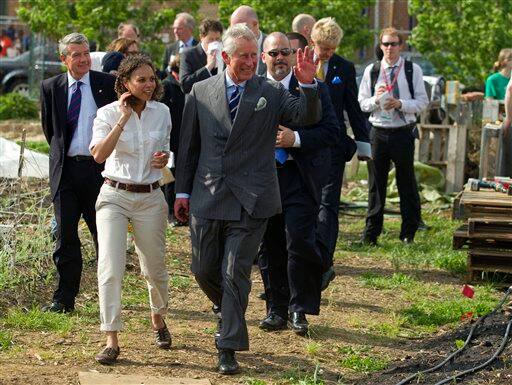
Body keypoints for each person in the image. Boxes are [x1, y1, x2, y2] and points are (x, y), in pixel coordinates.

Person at [174, 24, 321, 375]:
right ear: (225, 57)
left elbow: (305, 115)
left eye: (254, 56)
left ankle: (227, 347)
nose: (250, 62)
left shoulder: (269, 91)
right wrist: (181, 191)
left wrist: (310, 86)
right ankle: (229, 312)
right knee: (203, 269)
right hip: (208, 195)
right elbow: (188, 146)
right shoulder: (199, 90)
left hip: (252, 199)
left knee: (234, 271)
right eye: (243, 56)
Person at [89, 54, 172, 365]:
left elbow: (164, 149)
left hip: (150, 197)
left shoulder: (162, 112)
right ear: (124, 83)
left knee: (155, 268)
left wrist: (165, 160)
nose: (149, 85)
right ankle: (111, 338)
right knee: (110, 267)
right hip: (114, 195)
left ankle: (158, 318)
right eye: (141, 80)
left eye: (152, 79)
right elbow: (98, 155)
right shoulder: (107, 113)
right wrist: (123, 117)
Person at [258, 32, 339, 336]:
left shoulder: (312, 86)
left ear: (294, 56)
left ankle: (298, 309)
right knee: (270, 244)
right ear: (263, 57)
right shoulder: (253, 88)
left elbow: (331, 132)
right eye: (273, 53)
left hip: (299, 177)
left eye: (285, 52)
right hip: (264, 178)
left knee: (299, 242)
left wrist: (297, 139)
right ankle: (275, 308)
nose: (280, 58)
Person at [40, 33, 117, 313]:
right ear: (64, 59)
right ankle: (64, 298)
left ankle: (108, 296)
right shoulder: (51, 87)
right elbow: (51, 132)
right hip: (66, 172)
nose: (83, 59)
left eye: (86, 53)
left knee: (104, 234)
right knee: (65, 236)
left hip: (100, 171)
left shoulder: (106, 84)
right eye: (76, 55)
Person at [310, 17, 370, 290]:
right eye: (324, 47)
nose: (328, 53)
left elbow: (353, 108)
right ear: (314, 41)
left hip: (333, 148)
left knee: (328, 205)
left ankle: (324, 263)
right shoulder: (301, 63)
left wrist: (364, 144)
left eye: (333, 49)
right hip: (303, 147)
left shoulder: (344, 68)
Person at [358, 27, 428, 245]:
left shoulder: (411, 69)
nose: (390, 48)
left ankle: (408, 233)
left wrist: (400, 104)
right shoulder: (372, 70)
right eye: (386, 44)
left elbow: (422, 102)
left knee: (406, 182)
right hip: (378, 131)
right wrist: (376, 101)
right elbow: (362, 103)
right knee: (375, 184)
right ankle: (371, 234)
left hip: (403, 131)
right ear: (381, 46)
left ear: (401, 46)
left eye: (394, 44)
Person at [161, 55, 185, 224]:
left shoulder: (183, 86)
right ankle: (170, 214)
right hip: (170, 140)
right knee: (170, 177)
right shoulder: (167, 86)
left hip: (183, 139)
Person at [179, 18, 224, 94]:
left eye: (217, 39)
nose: (215, 43)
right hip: (198, 103)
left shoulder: (224, 54)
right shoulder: (189, 55)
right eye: (211, 39)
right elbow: (185, 85)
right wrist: (208, 67)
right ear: (201, 37)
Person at [230, 5, 267, 76]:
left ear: (255, 25)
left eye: (241, 29)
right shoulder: (228, 48)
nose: (236, 34)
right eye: (233, 29)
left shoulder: (272, 47)